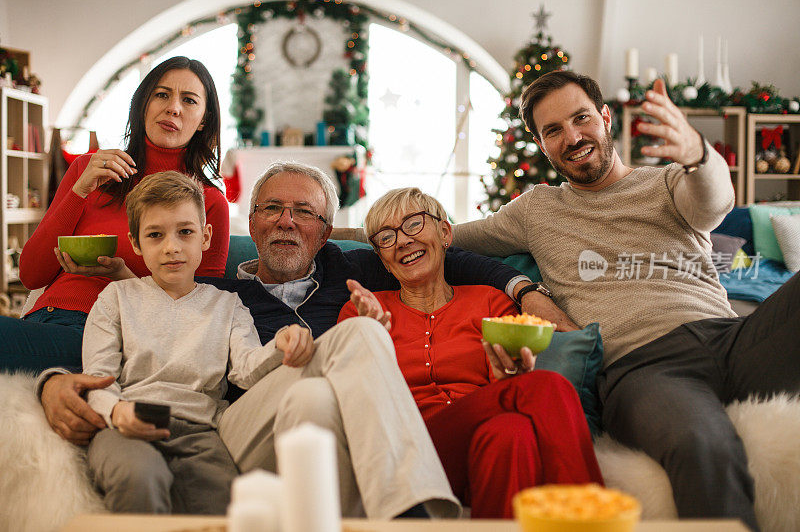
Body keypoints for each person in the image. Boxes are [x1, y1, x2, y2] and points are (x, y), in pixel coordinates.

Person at [40, 161, 530, 519]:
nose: (286, 220)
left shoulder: (354, 266)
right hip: (237, 427)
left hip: (321, 420)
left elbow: (443, 257)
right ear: (249, 225)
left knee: (343, 354)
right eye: (272, 208)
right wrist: (51, 382)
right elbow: (100, 358)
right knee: (334, 361)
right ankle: (412, 516)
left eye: (304, 212)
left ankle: (392, 512)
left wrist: (521, 287)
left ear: (326, 233)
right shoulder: (223, 292)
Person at [450, 70, 800, 531]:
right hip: (643, 368)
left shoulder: (670, 182)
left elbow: (714, 203)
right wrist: (327, 228)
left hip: (730, 339)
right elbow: (442, 239)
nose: (572, 137)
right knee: (702, 444)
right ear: (540, 143)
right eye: (553, 130)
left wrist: (696, 154)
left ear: (606, 117)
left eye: (581, 119)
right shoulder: (537, 210)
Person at [336, 187, 603, 519]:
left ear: (445, 232)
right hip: (408, 451)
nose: (403, 241)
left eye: (414, 224)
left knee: (510, 433)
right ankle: (591, 518)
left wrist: (509, 379)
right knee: (551, 387)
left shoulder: (489, 301)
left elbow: (504, 390)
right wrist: (367, 335)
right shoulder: (362, 311)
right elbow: (356, 403)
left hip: (475, 443)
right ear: (382, 259)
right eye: (386, 237)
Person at [1, 56, 229, 378]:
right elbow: (31, 275)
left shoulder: (207, 202)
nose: (173, 108)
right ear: (143, 105)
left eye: (189, 100)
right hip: (45, 318)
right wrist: (79, 190)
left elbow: (197, 313)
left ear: (204, 120)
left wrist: (122, 275)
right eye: (162, 95)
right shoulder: (89, 169)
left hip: (109, 334)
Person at [84, 171, 272, 514]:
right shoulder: (117, 297)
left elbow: (247, 370)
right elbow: (96, 376)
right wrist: (115, 410)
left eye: (185, 232)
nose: (172, 247)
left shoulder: (228, 306)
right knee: (139, 476)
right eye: (155, 235)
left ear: (205, 236)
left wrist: (282, 346)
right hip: (127, 423)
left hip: (199, 433)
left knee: (223, 502)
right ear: (137, 243)